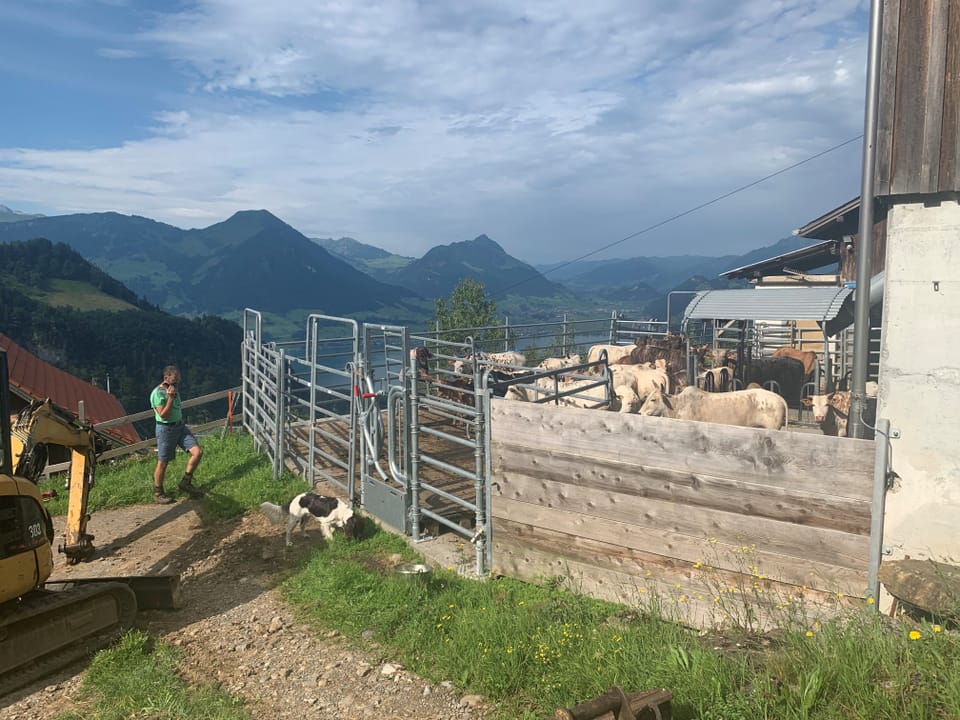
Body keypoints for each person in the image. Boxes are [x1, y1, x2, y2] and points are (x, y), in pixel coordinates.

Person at [150, 365, 204, 504]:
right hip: (166, 429)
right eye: (173, 381)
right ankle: (158, 492)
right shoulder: (158, 394)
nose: (174, 384)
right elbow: (163, 415)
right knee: (163, 462)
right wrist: (170, 398)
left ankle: (186, 482)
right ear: (165, 379)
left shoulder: (173, 390)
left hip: (179, 426)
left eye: (177, 381)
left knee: (197, 452)